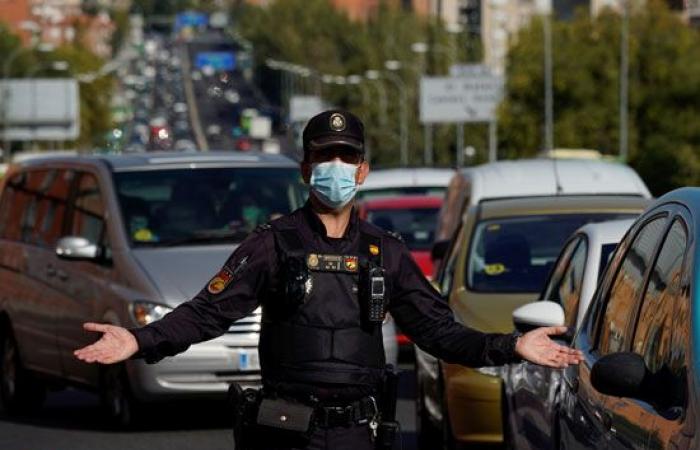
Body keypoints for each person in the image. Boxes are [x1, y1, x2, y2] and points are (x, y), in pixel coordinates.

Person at [74, 110, 582, 450]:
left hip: (358, 434)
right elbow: (208, 312)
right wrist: (137, 340)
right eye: (323, 158)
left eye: (345, 158)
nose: (334, 168)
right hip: (284, 429)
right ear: (305, 168)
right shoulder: (272, 244)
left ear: (363, 171)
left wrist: (515, 345)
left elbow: (441, 334)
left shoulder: (387, 253)